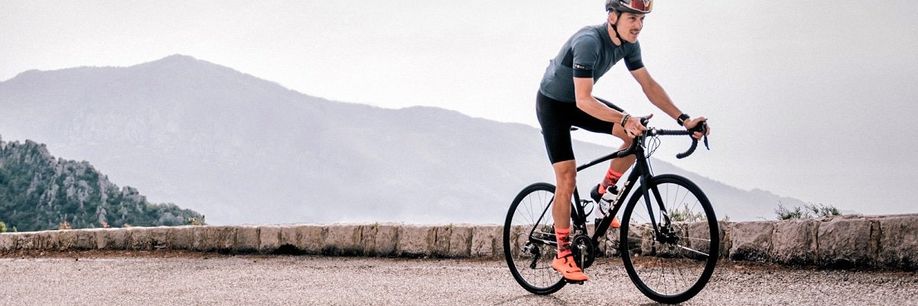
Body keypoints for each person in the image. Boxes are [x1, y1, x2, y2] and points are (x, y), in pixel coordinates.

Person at [535, 0, 710, 282]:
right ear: (612, 16)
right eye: (632, 18)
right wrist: (625, 117)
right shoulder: (589, 41)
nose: (638, 25)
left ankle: (604, 192)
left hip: (580, 102)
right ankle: (562, 253)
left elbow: (648, 85)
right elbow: (583, 99)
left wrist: (684, 119)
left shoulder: (630, 44)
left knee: (634, 136)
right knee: (566, 177)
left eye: (642, 20)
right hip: (554, 105)